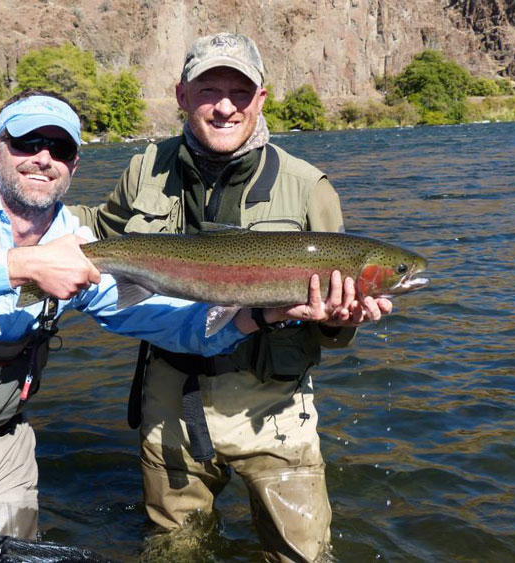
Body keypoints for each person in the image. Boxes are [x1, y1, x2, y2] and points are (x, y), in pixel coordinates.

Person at [0, 89, 312, 562]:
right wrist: (22, 266)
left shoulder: (79, 244)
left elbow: (162, 322)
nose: (42, 158)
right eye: (27, 142)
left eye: (60, 149)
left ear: (74, 166)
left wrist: (262, 314)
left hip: (4, 441)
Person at [69, 34, 393, 562]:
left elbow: (332, 329)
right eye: (208, 90)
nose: (224, 106)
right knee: (174, 553)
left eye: (240, 92)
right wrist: (25, 221)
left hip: (275, 410)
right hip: (170, 401)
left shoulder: (308, 187)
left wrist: (340, 319)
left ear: (261, 98)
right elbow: (99, 237)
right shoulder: (144, 169)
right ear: (181, 95)